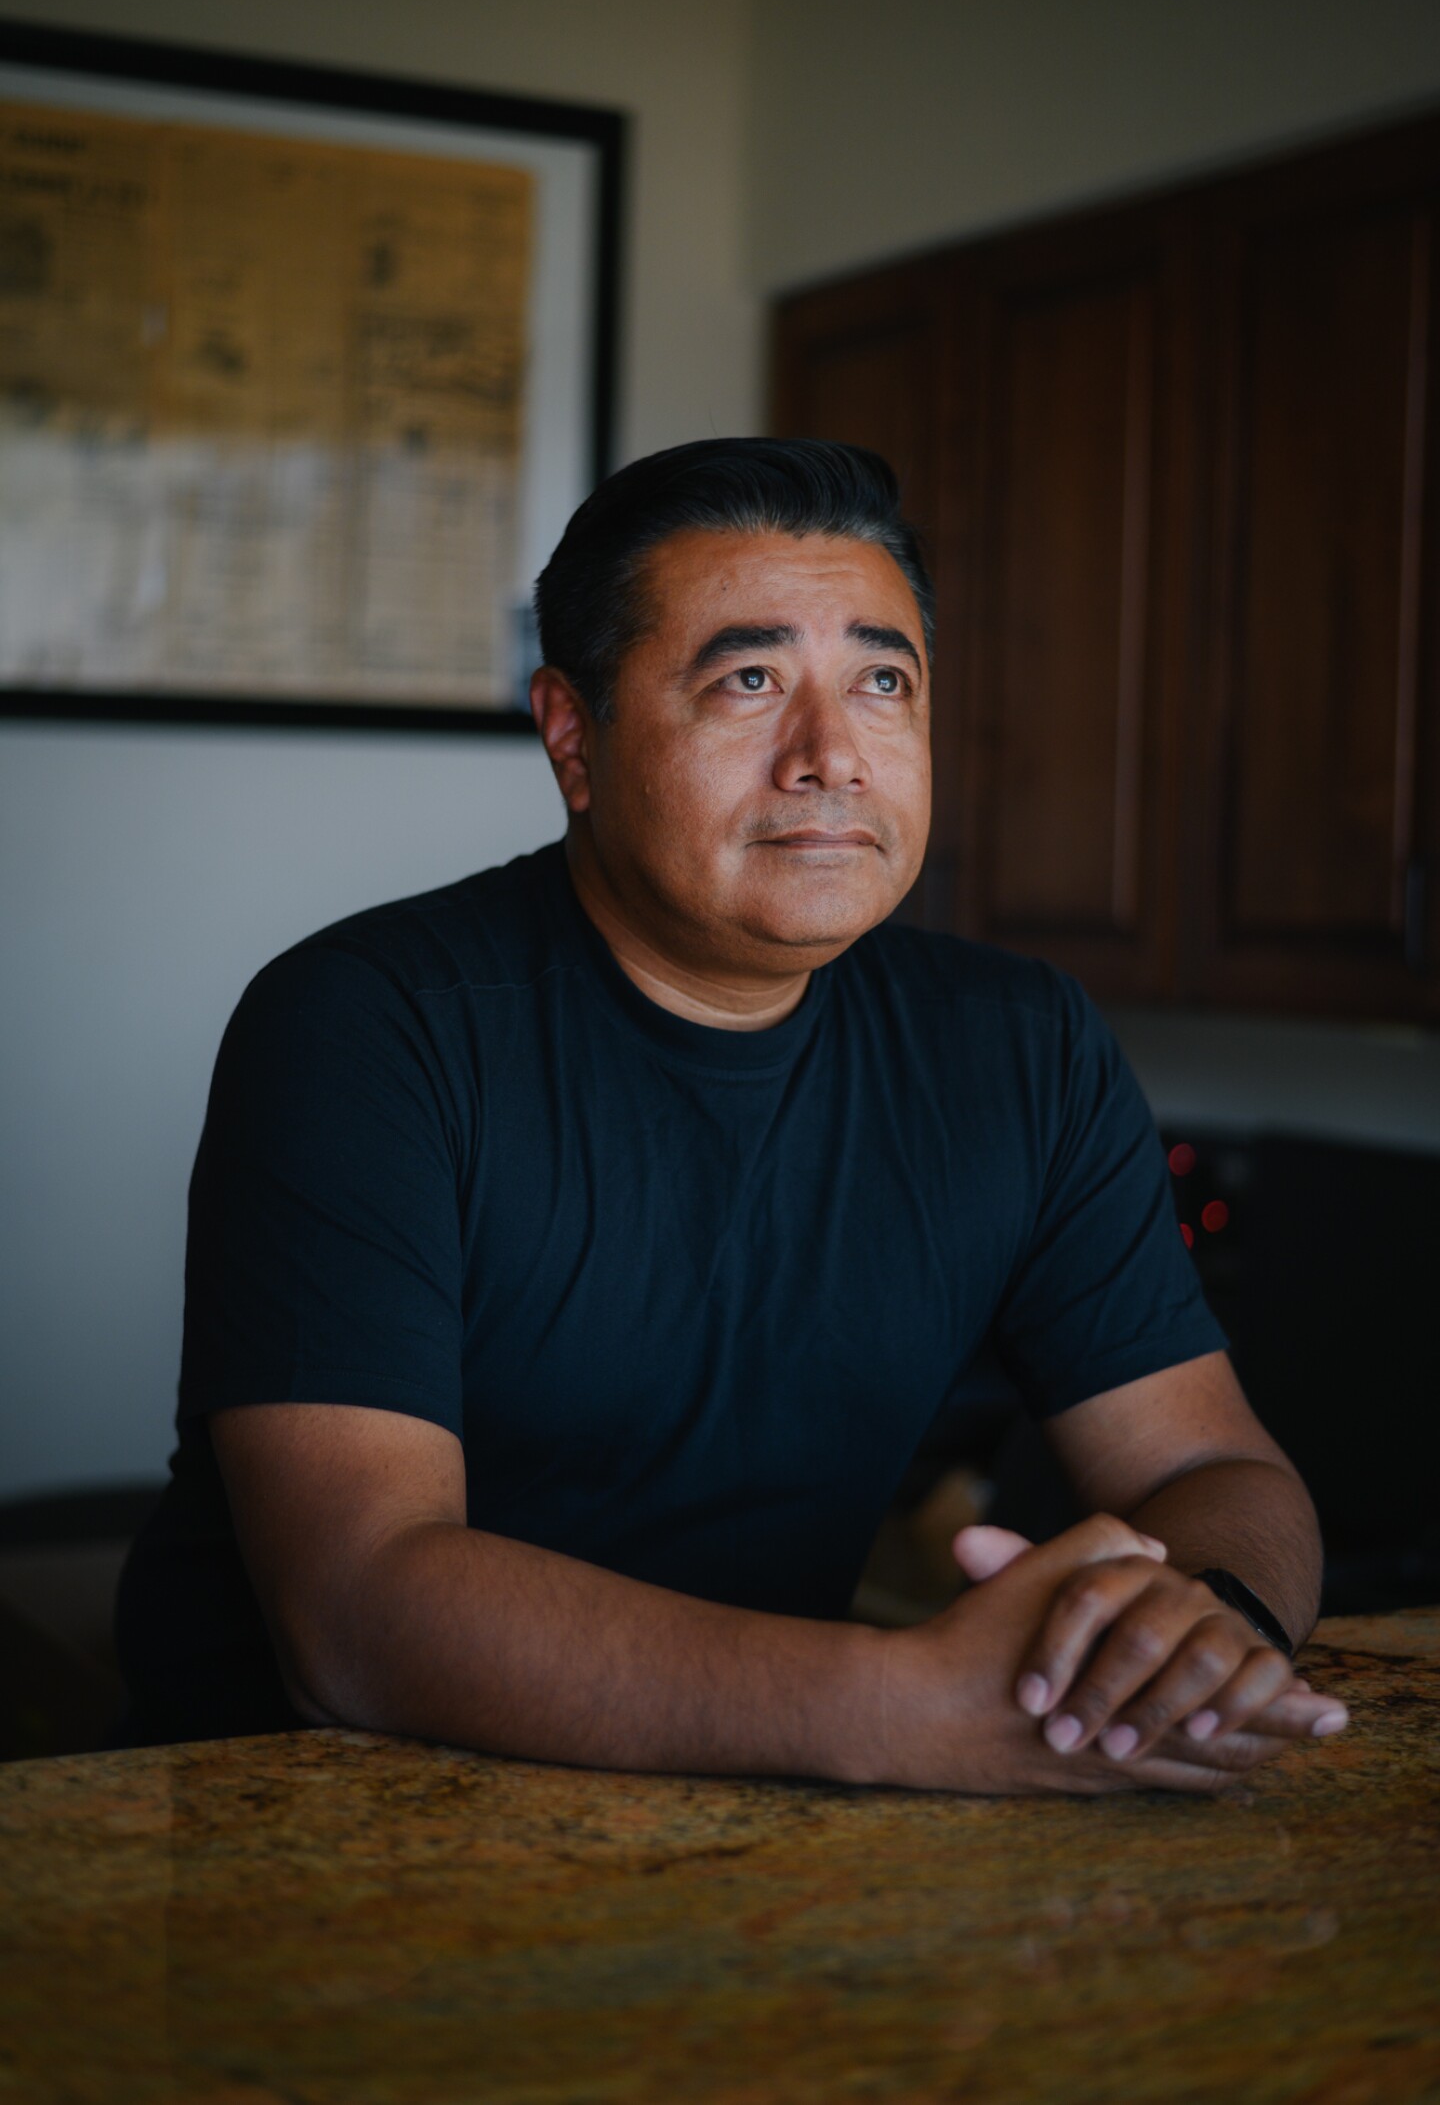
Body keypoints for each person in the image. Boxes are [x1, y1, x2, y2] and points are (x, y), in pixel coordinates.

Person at [116, 438, 1348, 1792]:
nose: (830, 758)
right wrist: (902, 1706)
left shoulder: (1021, 1048)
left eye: (882, 682)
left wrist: (1202, 1629)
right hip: (322, 1834)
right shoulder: (369, 1027)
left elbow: (1219, 1466)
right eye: (749, 682)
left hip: (753, 1806)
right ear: (572, 740)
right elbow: (354, 1615)